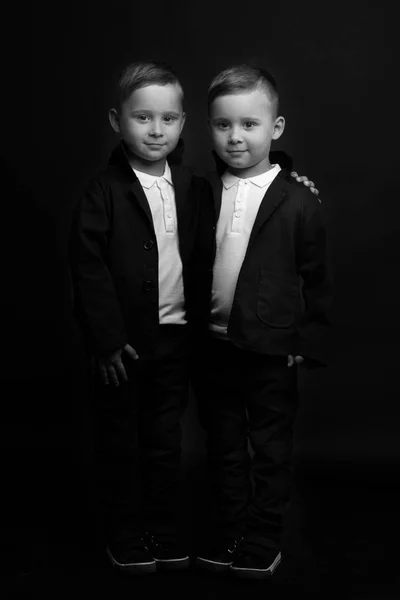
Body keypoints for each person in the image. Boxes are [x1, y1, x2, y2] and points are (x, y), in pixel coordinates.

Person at [69, 59, 318, 576]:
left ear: (182, 124)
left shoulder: (192, 186)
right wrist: (107, 338)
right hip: (146, 343)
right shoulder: (121, 190)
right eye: (143, 118)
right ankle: (139, 532)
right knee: (138, 440)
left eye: (168, 119)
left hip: (194, 342)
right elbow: (88, 268)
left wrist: (294, 179)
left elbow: (269, 192)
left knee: (171, 442)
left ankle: (185, 530)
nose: (156, 129)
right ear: (118, 121)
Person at [194, 64, 332, 579]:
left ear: (275, 129)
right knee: (224, 445)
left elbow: (318, 275)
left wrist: (308, 338)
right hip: (214, 347)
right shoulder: (201, 192)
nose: (235, 137)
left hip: (272, 350)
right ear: (208, 127)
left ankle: (264, 534)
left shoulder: (298, 197)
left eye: (250, 125)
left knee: (270, 449)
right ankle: (230, 527)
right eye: (223, 125)